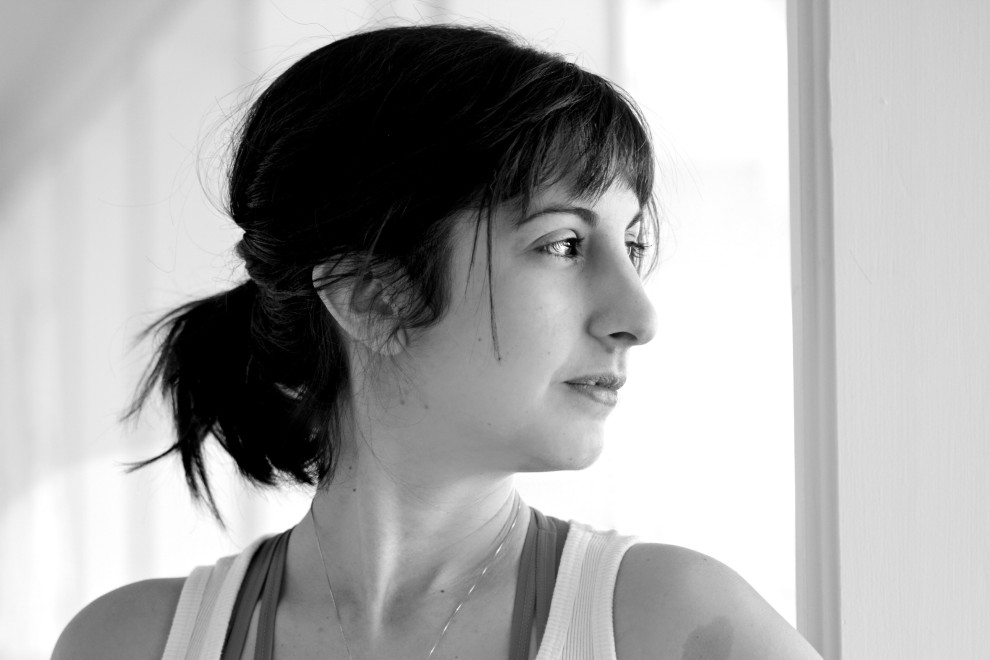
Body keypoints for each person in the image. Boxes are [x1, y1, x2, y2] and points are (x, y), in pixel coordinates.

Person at [51, 23, 822, 660]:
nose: (638, 316)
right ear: (369, 295)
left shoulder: (673, 626)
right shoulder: (129, 645)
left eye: (634, 246)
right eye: (562, 244)